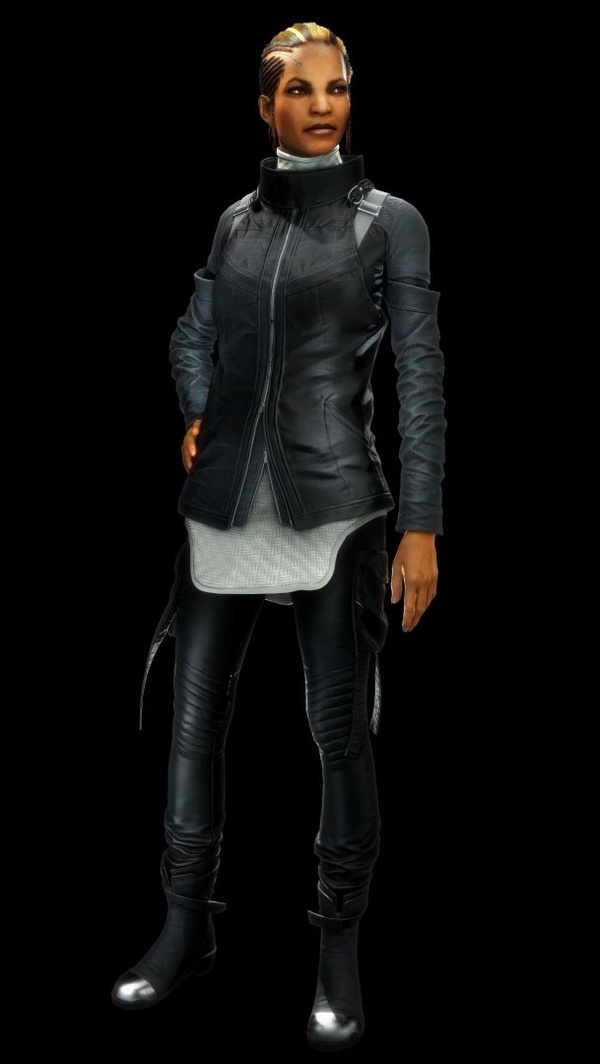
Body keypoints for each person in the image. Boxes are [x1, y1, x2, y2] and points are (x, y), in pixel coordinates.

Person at [111, 20, 446, 1052]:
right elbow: (192, 332)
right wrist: (197, 406)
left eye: (336, 88)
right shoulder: (235, 223)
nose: (322, 106)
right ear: (265, 106)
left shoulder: (390, 221)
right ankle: (185, 926)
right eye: (300, 90)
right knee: (193, 723)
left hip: (337, 503)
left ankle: (338, 946)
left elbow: (422, 378)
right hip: (224, 503)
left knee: (337, 734)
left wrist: (422, 524)